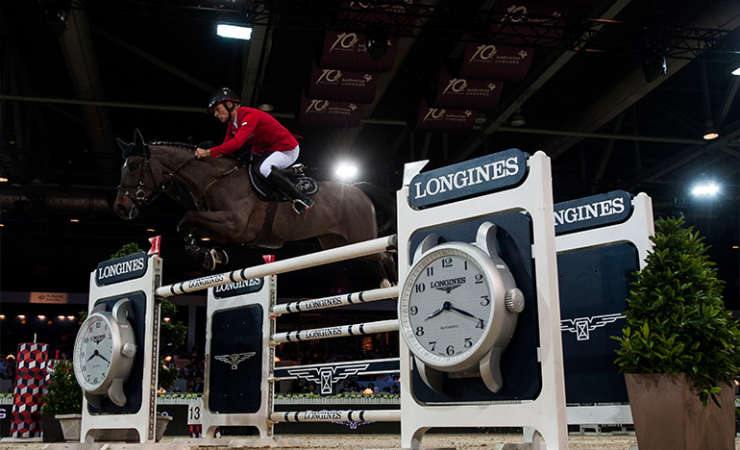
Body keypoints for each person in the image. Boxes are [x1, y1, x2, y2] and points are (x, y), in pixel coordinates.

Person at [195, 87, 313, 214]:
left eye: (217, 110)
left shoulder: (250, 115)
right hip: (266, 150)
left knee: (264, 168)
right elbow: (226, 147)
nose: (215, 114)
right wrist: (207, 156)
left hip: (287, 148)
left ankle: (301, 198)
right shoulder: (232, 124)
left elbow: (237, 143)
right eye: (214, 112)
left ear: (229, 104)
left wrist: (208, 152)